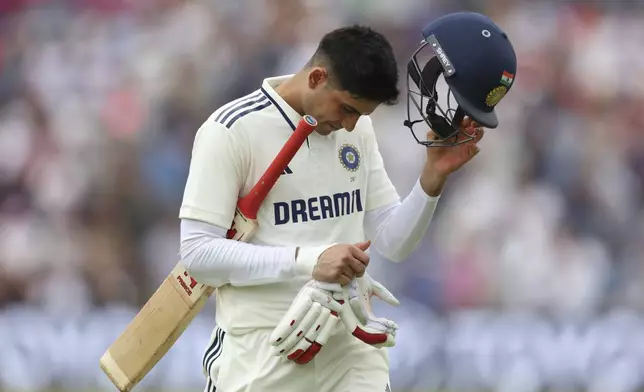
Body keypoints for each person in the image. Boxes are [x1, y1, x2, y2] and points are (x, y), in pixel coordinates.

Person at [179, 11, 516, 392]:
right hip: (261, 348)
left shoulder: (357, 129)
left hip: (350, 345)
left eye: (362, 115)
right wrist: (309, 261)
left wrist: (431, 180)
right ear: (317, 77)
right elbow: (198, 255)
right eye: (347, 109)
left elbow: (392, 242)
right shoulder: (230, 130)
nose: (351, 125)